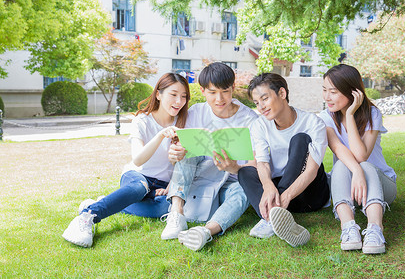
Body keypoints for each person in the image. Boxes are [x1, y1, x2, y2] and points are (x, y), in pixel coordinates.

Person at [62, 73, 190, 247]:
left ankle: (110, 201)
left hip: (162, 186)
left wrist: (171, 185)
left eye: (183, 96)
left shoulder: (184, 123)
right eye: (173, 95)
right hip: (137, 176)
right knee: (139, 188)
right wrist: (160, 135)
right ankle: (87, 215)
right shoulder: (142, 120)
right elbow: (138, 160)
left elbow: (183, 160)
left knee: (166, 208)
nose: (179, 101)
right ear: (158, 94)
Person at [160, 62, 258, 251]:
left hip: (232, 180)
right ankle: (176, 215)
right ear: (203, 91)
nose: (219, 99)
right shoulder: (196, 112)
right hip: (202, 175)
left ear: (233, 89)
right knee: (186, 150)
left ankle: (205, 232)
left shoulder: (249, 119)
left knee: (244, 191)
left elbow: (256, 166)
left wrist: (233, 168)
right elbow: (178, 155)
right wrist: (175, 154)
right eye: (212, 92)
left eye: (225, 91)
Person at [238, 73, 330, 247]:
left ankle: (272, 216)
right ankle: (275, 216)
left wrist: (285, 196)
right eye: (257, 103)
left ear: (282, 93)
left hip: (310, 194)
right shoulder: (259, 125)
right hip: (281, 195)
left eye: (264, 99)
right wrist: (267, 186)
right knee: (245, 171)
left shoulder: (312, 123)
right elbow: (262, 162)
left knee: (300, 139)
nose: (261, 107)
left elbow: (311, 171)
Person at [319, 64, 396, 254]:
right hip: (350, 185)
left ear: (352, 92)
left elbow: (362, 155)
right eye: (324, 90)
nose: (327, 97)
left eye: (333, 92)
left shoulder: (373, 114)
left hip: (381, 184)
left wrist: (350, 116)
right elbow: (338, 149)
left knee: (365, 165)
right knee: (340, 166)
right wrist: (356, 171)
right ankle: (349, 228)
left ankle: (375, 230)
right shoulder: (325, 118)